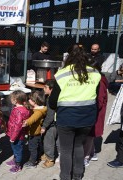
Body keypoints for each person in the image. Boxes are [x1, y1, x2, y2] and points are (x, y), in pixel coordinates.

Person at [49, 44, 101, 180]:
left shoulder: (62, 74)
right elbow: (95, 96)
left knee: (66, 150)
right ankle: (78, 176)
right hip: (87, 118)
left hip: (66, 118)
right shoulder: (95, 73)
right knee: (79, 146)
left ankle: (65, 177)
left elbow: (53, 102)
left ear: (68, 57)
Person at [83, 56, 108, 167]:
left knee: (89, 136)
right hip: (92, 112)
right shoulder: (96, 79)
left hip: (94, 114)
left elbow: (99, 102)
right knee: (90, 135)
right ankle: (92, 153)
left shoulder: (99, 82)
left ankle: (86, 157)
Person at [5, 90, 31, 174]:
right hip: (19, 134)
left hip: (16, 135)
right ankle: (15, 160)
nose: (10, 100)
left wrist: (13, 137)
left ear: (15, 100)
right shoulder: (22, 109)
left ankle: (18, 165)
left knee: (17, 149)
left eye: (11, 98)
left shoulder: (18, 111)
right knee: (15, 148)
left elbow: (17, 126)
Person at [23, 90, 47, 168]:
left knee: (32, 148)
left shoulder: (38, 112)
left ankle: (32, 162)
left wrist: (26, 122)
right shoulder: (38, 108)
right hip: (36, 132)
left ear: (34, 101)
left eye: (30, 99)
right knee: (38, 145)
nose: (28, 100)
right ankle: (38, 156)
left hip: (34, 133)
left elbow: (33, 119)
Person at [40, 79, 58, 168]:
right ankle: (47, 155)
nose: (44, 89)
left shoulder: (51, 99)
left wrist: (44, 126)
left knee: (48, 142)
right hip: (56, 123)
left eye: (45, 87)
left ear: (51, 89)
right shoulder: (51, 96)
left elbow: (50, 115)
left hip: (52, 124)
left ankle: (50, 160)